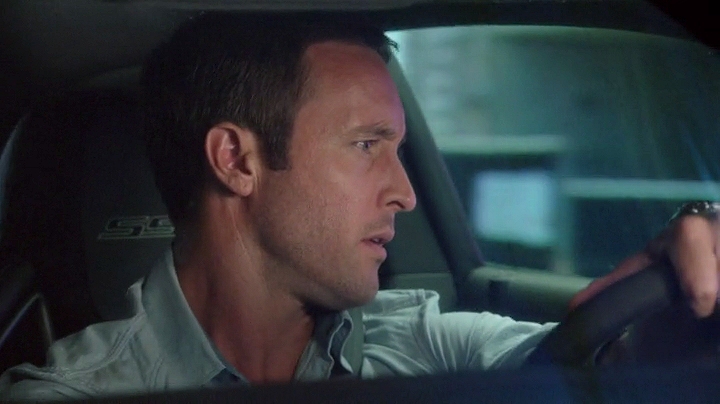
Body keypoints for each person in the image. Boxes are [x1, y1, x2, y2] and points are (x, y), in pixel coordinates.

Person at [2, 12, 720, 401]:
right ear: (237, 161)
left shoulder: (418, 344)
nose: (405, 192)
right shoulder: (75, 394)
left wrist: (674, 312)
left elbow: (589, 364)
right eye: (367, 144)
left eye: (399, 149)